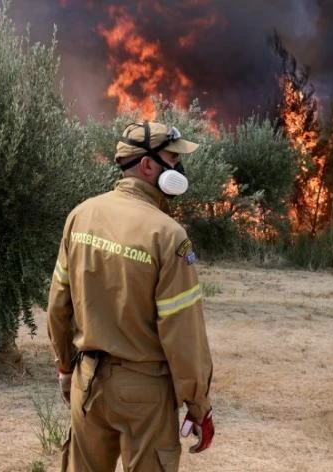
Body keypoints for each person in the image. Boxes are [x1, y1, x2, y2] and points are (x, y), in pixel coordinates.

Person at [47, 121, 214, 472]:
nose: (178, 168)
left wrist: (66, 367)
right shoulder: (169, 236)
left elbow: (58, 307)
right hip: (144, 392)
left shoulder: (80, 216)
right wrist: (198, 405)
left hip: (86, 382)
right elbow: (183, 336)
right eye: (172, 158)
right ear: (148, 165)